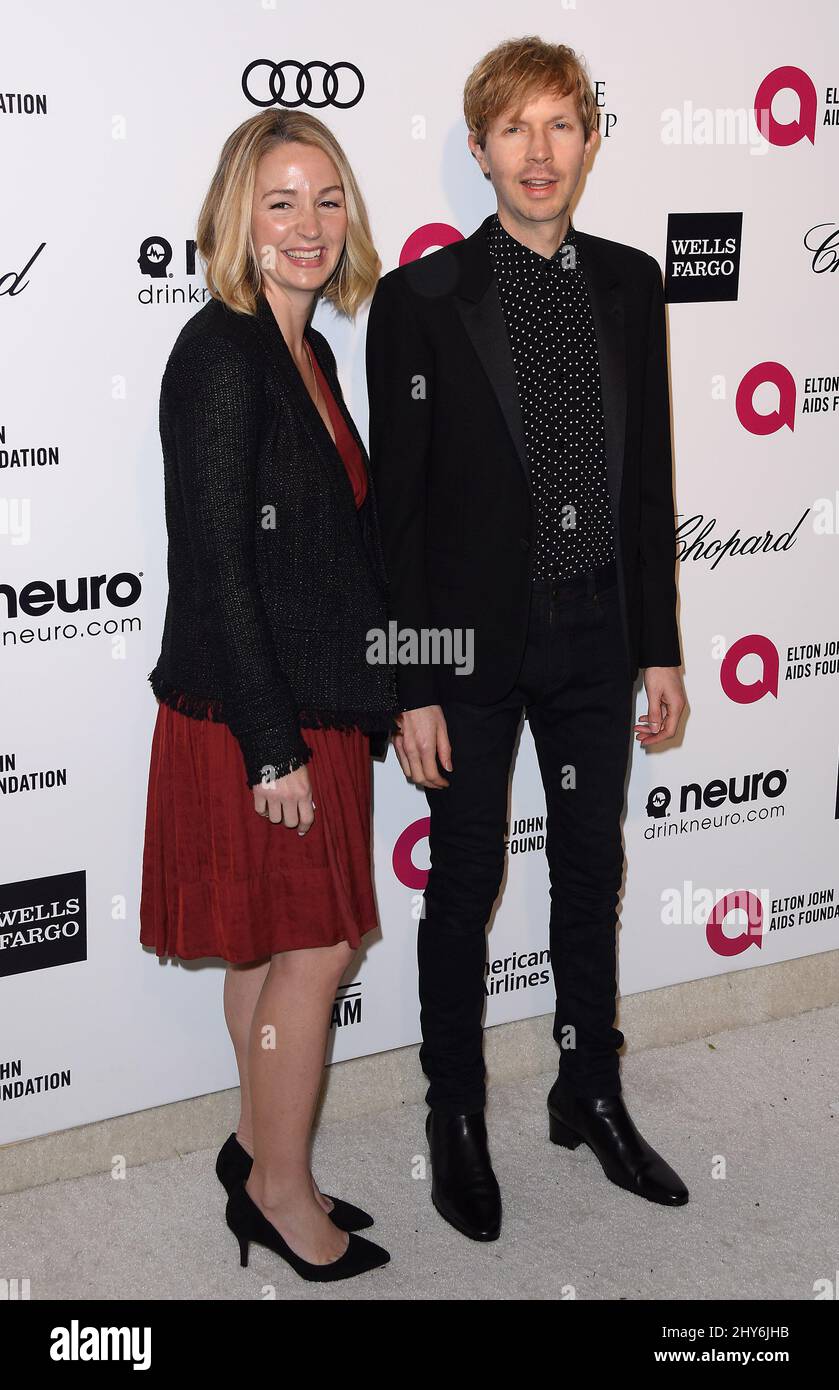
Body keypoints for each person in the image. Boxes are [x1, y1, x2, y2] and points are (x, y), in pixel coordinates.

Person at [365, 35, 689, 1242]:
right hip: (465, 649)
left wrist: (654, 644)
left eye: (561, 125)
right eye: (514, 129)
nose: (539, 151)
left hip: (595, 633)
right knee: (461, 885)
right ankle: (455, 1114)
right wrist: (409, 679)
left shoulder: (627, 281)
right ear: (479, 148)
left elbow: (646, 475)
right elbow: (391, 516)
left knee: (584, 869)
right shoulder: (421, 301)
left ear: (590, 140)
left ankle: (585, 1088)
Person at [140, 108, 399, 1282]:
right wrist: (268, 746)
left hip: (313, 703)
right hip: (258, 719)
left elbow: (331, 553)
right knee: (316, 945)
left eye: (326, 199)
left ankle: (255, 1149)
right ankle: (281, 1195)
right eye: (282, 201)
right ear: (238, 216)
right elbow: (217, 565)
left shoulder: (310, 349)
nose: (307, 225)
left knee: (270, 943)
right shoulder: (220, 354)